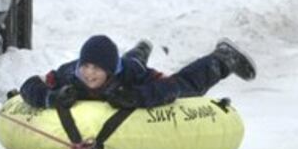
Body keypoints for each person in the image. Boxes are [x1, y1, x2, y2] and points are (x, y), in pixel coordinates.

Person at [18, 35, 256, 110]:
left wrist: (136, 97)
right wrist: (51, 98)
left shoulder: (128, 74)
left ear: (110, 71)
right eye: (86, 66)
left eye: (97, 69)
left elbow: (171, 86)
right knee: (129, 59)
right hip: (122, 64)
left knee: (186, 88)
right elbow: (29, 86)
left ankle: (222, 59)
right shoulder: (69, 74)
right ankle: (139, 49)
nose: (89, 74)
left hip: (132, 72)